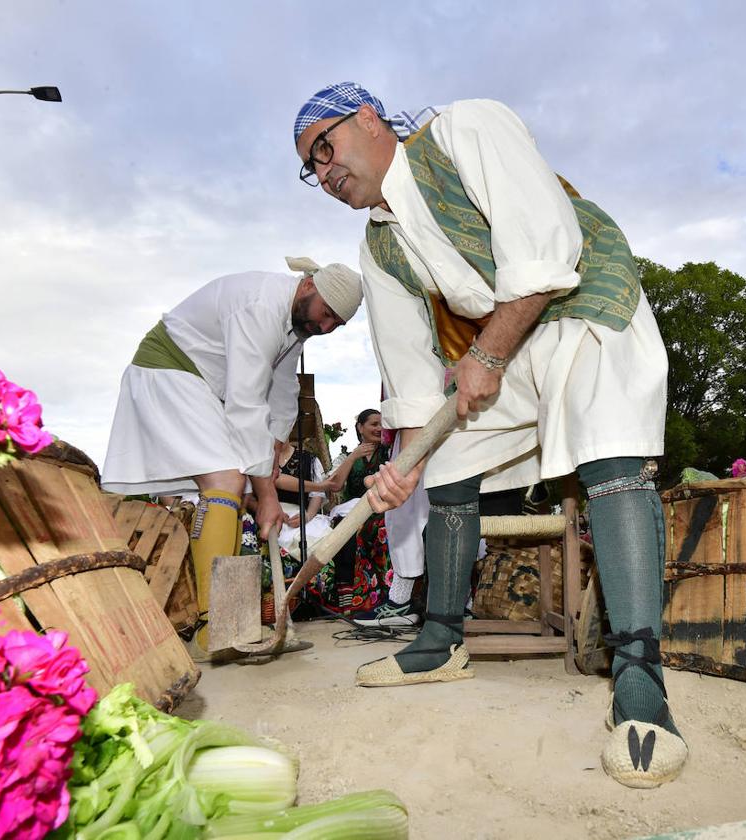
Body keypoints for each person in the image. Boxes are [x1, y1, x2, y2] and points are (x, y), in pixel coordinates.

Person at [292, 83, 685, 788]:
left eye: (325, 146)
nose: (323, 171)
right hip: (501, 345)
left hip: (580, 299)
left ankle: (640, 675)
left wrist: (488, 356)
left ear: (371, 118)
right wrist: (402, 465)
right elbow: (412, 377)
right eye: (310, 168)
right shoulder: (380, 242)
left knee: (605, 439)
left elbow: (545, 251)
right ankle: (442, 639)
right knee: (448, 460)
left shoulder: (462, 130)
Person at [101, 256, 362, 656]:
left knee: (228, 486)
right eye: (326, 315)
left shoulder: (294, 324)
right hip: (169, 371)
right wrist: (269, 496)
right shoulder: (260, 305)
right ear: (308, 286)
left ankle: (222, 622)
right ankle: (212, 629)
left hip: (200, 385)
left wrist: (275, 445)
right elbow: (245, 403)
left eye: (336, 326)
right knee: (225, 480)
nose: (325, 328)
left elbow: (279, 389)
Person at [328, 409, 425, 625]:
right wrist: (354, 456)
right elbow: (335, 484)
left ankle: (397, 594)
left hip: (383, 507)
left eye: (382, 424)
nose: (379, 428)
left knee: (383, 529)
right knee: (349, 531)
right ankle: (358, 599)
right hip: (354, 509)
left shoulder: (389, 451)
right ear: (360, 428)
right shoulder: (347, 456)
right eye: (373, 424)